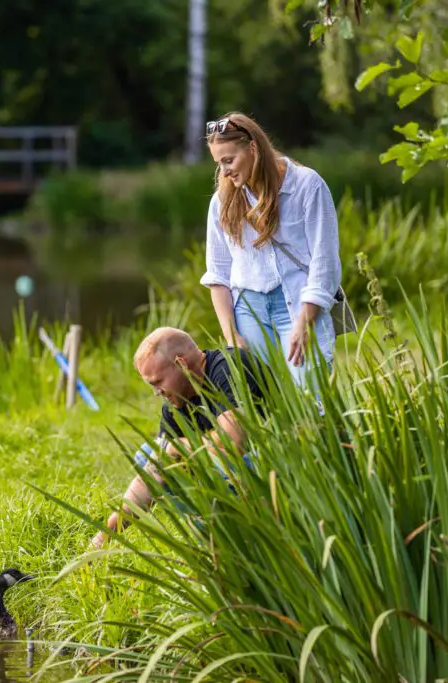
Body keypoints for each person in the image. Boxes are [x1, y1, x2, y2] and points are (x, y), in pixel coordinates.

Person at [89, 326, 270, 549]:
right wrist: (104, 538)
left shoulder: (230, 366)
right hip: (234, 474)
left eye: (157, 382)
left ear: (181, 364)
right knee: (149, 456)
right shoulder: (176, 405)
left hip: (273, 468)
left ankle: (246, 540)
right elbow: (153, 473)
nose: (157, 392)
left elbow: (234, 442)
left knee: (172, 455)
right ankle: (216, 541)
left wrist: (181, 447)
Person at [201, 112, 342, 389]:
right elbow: (218, 275)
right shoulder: (222, 201)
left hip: (301, 305)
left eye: (229, 160)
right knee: (266, 400)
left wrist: (305, 321)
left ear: (252, 147)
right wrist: (232, 337)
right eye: (219, 164)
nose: (225, 171)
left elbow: (325, 262)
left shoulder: (306, 185)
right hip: (249, 311)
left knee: (312, 396)